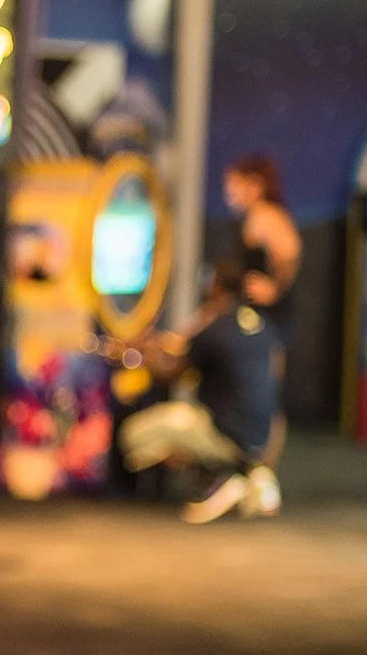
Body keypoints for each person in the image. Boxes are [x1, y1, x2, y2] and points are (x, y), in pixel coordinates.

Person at [115, 259, 282, 522]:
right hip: (261, 436)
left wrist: (144, 358)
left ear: (216, 287)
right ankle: (248, 473)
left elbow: (173, 374)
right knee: (196, 417)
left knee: (135, 435)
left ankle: (226, 475)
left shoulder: (215, 327)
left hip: (224, 433)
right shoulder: (262, 326)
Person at [223, 152, 298, 472]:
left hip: (270, 320)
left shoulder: (268, 216)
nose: (229, 194)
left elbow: (290, 254)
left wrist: (274, 288)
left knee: (265, 391)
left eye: (234, 186)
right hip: (255, 318)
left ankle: (263, 466)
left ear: (254, 185)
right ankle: (253, 463)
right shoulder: (255, 217)